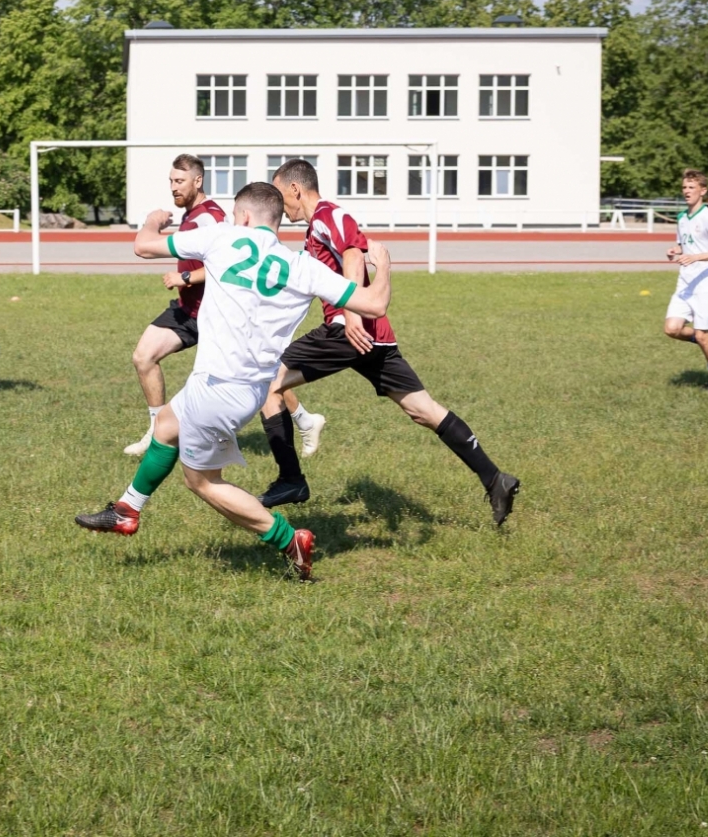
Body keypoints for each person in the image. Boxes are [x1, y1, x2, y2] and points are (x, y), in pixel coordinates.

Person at [75, 182, 393, 582]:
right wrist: (384, 269)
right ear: (277, 221)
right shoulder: (302, 266)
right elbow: (375, 304)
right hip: (249, 388)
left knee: (203, 483)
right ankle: (127, 509)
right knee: (168, 423)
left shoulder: (223, 236)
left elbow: (144, 245)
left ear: (242, 216)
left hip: (217, 387)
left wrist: (154, 220)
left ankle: (288, 539)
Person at [258, 158, 520, 526]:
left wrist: (349, 314)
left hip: (346, 330)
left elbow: (352, 253)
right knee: (423, 410)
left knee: (268, 384)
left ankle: (291, 480)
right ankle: (496, 479)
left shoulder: (327, 217)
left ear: (295, 189)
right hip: (373, 337)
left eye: (281, 195)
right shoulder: (319, 225)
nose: (282, 207)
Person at [125, 154, 325, 457]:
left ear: (198, 181)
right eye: (170, 181)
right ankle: (156, 429)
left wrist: (186, 275)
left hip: (221, 311)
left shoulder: (211, 217)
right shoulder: (191, 214)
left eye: (179, 181)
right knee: (143, 356)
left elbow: (231, 260)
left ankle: (303, 419)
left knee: (257, 378)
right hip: (187, 311)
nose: (173, 188)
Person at [664, 169, 708, 391]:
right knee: (672, 329)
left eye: (691, 187)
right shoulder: (682, 217)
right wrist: (677, 249)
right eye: (684, 187)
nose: (686, 191)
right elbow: (686, 243)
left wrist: (695, 257)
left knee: (703, 335)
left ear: (702, 191)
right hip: (686, 281)